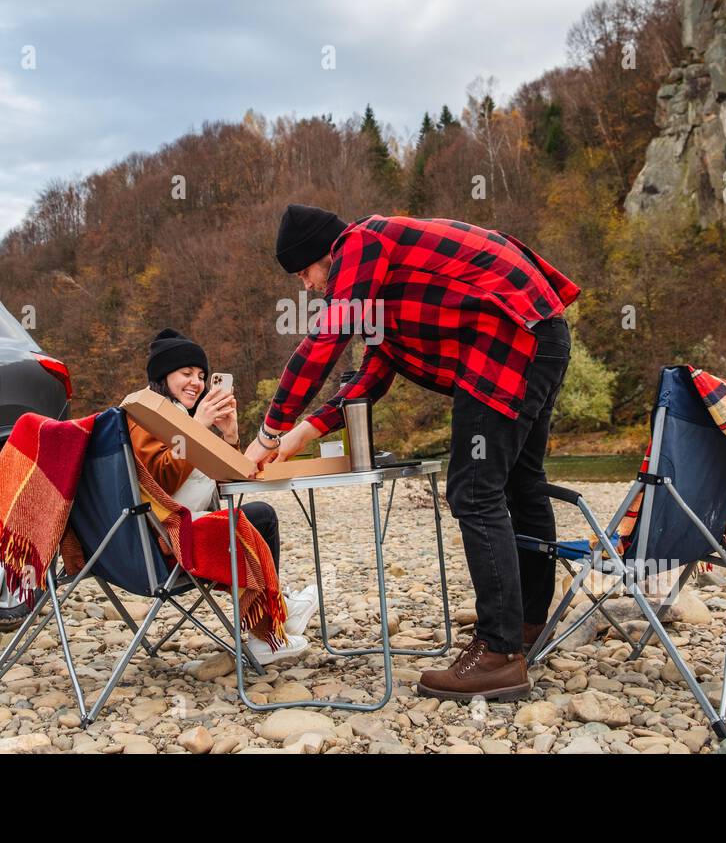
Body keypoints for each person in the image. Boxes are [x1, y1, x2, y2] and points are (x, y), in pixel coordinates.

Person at [244, 205, 577, 701]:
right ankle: (525, 627)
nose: (309, 287)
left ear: (324, 255)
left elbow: (325, 339)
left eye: (305, 273)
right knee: (519, 483)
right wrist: (306, 430)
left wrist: (271, 430)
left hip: (505, 342)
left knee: (474, 491)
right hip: (537, 337)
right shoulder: (384, 285)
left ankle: (500, 653)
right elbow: (374, 372)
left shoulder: (361, 243)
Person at [130, 328, 317, 664]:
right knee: (260, 517)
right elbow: (162, 478)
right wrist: (197, 428)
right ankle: (268, 629)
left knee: (257, 513)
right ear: (162, 376)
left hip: (177, 526)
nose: (197, 383)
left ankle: (278, 609)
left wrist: (229, 436)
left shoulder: (181, 418)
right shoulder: (145, 415)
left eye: (201, 376)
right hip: (159, 541)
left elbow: (226, 482)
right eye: (185, 374)